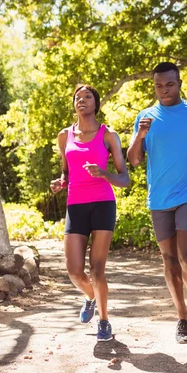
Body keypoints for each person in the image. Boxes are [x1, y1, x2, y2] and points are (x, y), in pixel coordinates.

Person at [127, 62, 187, 348]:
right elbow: (134, 159)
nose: (164, 90)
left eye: (169, 84)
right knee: (169, 260)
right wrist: (140, 135)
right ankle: (181, 318)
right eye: (159, 85)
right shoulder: (145, 117)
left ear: (179, 82)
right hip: (159, 198)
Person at [50, 84, 130, 342]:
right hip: (76, 205)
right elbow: (66, 170)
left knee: (97, 270)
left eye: (87, 97)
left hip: (103, 203)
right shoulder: (65, 136)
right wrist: (61, 181)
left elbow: (125, 179)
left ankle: (104, 321)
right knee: (74, 271)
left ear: (96, 103)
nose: (81, 100)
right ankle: (90, 297)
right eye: (77, 97)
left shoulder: (109, 136)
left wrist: (105, 174)